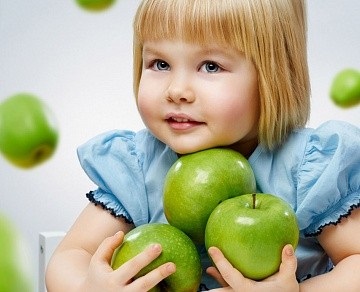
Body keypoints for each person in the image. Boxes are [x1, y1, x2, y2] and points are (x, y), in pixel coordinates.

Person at [46, 0, 360, 291]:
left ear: (273, 77)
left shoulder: (308, 167)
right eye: (160, 63)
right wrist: (88, 287)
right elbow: (70, 255)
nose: (177, 90)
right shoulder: (138, 165)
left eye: (210, 66)